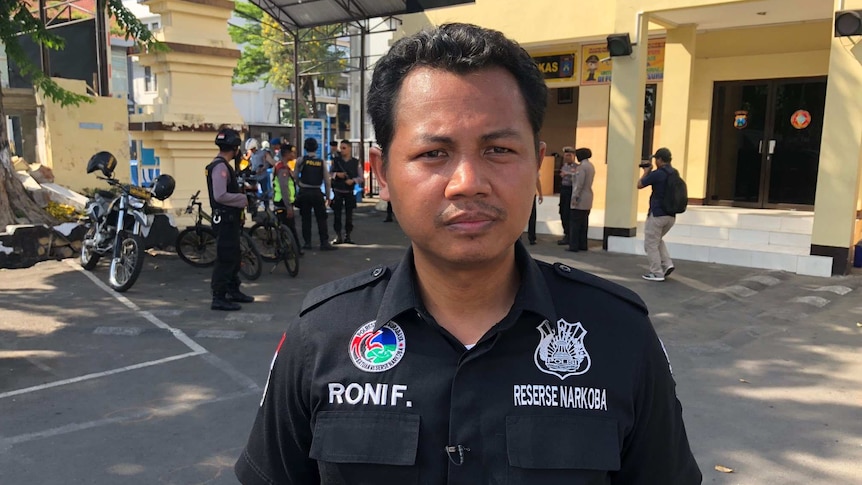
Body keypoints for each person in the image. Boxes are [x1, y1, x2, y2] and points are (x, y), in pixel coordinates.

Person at [235, 23, 701, 484]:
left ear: (536, 165)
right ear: (383, 174)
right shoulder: (320, 336)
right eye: (434, 153)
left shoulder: (619, 335)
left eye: (498, 149)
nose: (468, 182)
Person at [206, 128, 254, 311]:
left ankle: (233, 290)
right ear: (234, 148)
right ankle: (218, 296)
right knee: (225, 257)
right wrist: (242, 199)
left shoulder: (223, 165)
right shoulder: (220, 167)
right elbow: (220, 195)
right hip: (224, 219)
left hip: (230, 219)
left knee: (234, 256)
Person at [638, 147, 677, 281]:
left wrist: (646, 172)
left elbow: (639, 184)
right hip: (671, 215)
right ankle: (667, 264)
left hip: (658, 214)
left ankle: (656, 272)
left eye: (656, 159)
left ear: (660, 159)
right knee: (657, 240)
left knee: (650, 243)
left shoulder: (658, 174)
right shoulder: (674, 173)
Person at [294, 137, 337, 251]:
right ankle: (324, 242)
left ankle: (307, 243)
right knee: (321, 218)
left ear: (305, 147)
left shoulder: (300, 160)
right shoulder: (321, 162)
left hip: (304, 192)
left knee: (306, 219)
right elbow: (327, 181)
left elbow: (295, 177)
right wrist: (328, 196)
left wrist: (300, 186)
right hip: (317, 192)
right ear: (316, 148)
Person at [330, 140, 362, 244]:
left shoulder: (355, 162)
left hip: (349, 191)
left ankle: (348, 235)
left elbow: (361, 177)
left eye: (344, 148)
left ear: (349, 148)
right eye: (341, 148)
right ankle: (338, 235)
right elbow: (329, 173)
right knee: (337, 215)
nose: (342, 150)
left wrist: (353, 180)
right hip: (338, 190)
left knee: (349, 215)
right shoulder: (336, 161)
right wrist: (336, 175)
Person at [273, 143, 302, 255]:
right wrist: (288, 207)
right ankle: (288, 251)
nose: (294, 154)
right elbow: (284, 188)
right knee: (287, 228)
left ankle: (293, 250)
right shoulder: (282, 169)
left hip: (284, 202)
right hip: (283, 203)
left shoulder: (283, 166)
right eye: (292, 152)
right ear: (286, 154)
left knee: (288, 227)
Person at [567, 147, 595, 252]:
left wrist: (575, 198)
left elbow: (579, 184)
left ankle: (574, 245)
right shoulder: (591, 166)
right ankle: (583, 244)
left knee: (575, 223)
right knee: (584, 223)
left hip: (581, 198)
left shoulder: (582, 167)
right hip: (588, 196)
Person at [557, 146, 577, 245]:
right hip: (563, 189)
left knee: (568, 212)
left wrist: (567, 174)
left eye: (569, 155)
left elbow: (575, 176)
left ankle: (569, 235)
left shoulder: (576, 167)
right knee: (562, 211)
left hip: (571, 190)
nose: (567, 157)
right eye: (565, 155)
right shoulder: (564, 165)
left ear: (573, 156)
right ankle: (565, 233)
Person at [527, 176, 543, 245]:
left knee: (522, 216)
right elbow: (537, 180)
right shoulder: (533, 168)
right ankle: (532, 238)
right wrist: (540, 194)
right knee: (532, 216)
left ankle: (519, 237)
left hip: (524, 194)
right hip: (530, 194)